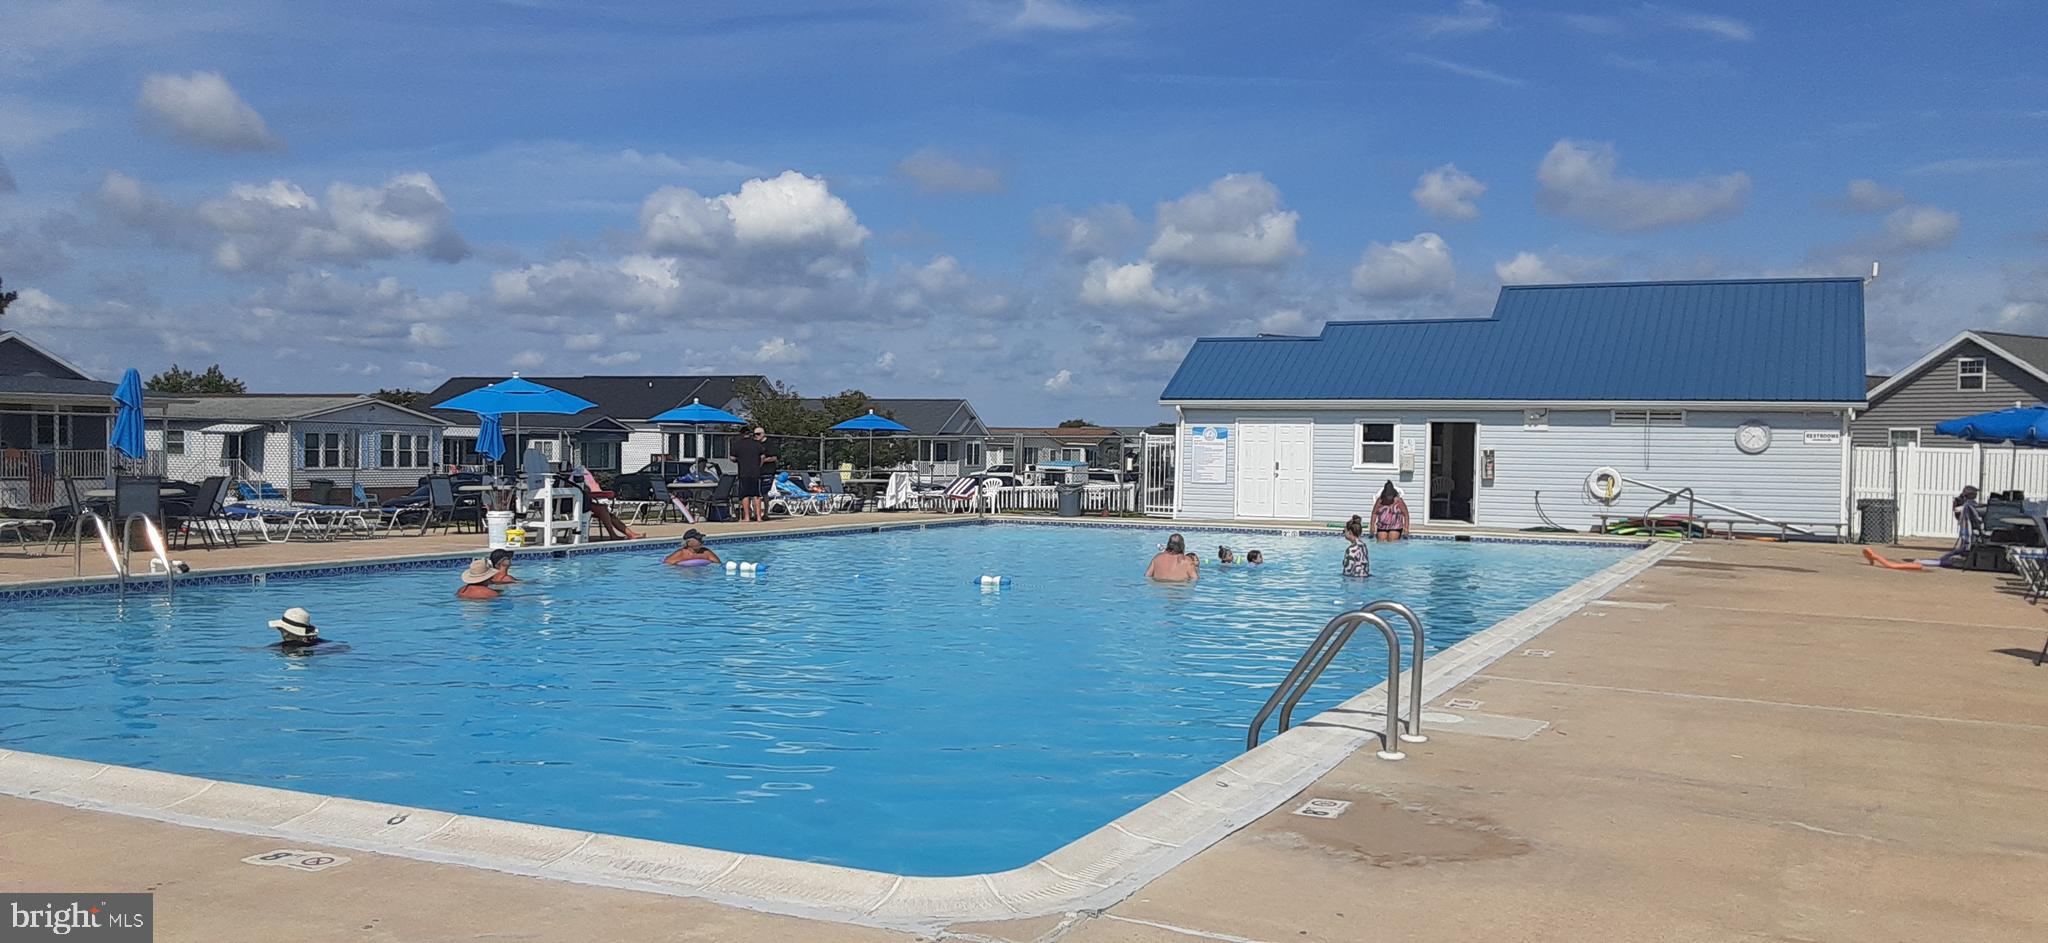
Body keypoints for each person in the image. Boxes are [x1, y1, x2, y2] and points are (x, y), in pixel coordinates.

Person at [732, 426, 775, 523]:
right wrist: (759, 465)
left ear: (741, 434)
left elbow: (732, 457)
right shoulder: (757, 444)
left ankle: (747, 517)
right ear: (750, 434)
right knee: (757, 495)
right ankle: (759, 517)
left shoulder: (738, 444)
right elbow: (763, 457)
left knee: (745, 495)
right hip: (756, 473)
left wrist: (739, 460)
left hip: (743, 473)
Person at [1938, 485, 1984, 568]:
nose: (1976, 494)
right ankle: (1944, 560)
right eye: (1974, 493)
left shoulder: (1971, 503)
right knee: (1964, 547)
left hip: (1969, 528)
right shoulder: (1964, 502)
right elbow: (1957, 510)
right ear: (1968, 494)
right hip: (1966, 527)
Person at [267, 606, 338, 651]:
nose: (284, 634)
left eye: (286, 631)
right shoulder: (327, 645)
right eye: (281, 629)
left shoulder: (280, 647)